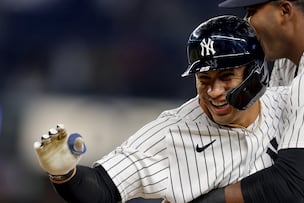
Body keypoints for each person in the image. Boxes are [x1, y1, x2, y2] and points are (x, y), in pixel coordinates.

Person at [33, 15, 290, 203]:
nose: (214, 91)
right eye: (205, 79)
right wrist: (64, 174)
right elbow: (102, 188)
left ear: (256, 74)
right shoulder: (171, 133)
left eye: (226, 77)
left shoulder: (291, 106)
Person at [191, 0, 304, 202]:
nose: (247, 24)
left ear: (284, 10)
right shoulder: (290, 60)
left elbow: (290, 184)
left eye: (251, 12)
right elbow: (266, 147)